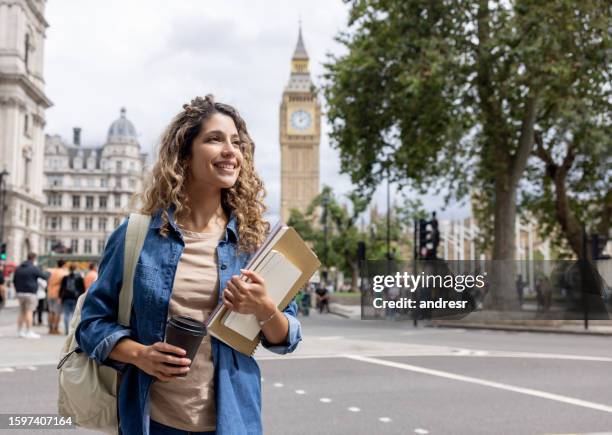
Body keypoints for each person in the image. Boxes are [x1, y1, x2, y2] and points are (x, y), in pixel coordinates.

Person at [76, 95, 302, 435]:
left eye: (237, 143)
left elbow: (286, 338)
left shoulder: (255, 242)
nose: (231, 150)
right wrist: (140, 355)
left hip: (234, 420)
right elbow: (91, 324)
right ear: (184, 153)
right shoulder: (136, 235)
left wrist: (264, 307)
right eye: (214, 139)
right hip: (152, 421)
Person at [13, 252, 49, 338]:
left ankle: (19, 331)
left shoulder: (18, 268)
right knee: (29, 311)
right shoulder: (34, 268)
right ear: (34, 259)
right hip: (30, 293)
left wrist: (17, 290)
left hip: (20, 293)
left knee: (21, 312)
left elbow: (14, 280)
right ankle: (29, 331)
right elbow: (44, 277)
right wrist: (48, 273)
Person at [59, 264, 85, 335]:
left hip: (66, 298)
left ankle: (66, 330)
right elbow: (82, 289)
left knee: (66, 314)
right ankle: (73, 331)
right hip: (75, 298)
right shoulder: (79, 278)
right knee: (75, 315)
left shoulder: (65, 278)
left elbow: (61, 288)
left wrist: (60, 297)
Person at [47, 259, 68, 335]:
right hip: (58, 294)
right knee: (57, 312)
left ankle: (50, 328)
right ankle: (55, 329)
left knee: (50, 311)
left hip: (49, 293)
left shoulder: (51, 271)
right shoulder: (64, 273)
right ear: (63, 265)